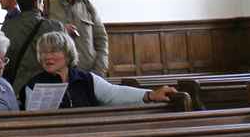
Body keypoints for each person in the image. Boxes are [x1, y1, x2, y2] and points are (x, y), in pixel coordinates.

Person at [22, 31, 176, 108]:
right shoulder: (33, 85)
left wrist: (150, 95)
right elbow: (33, 120)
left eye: (54, 51)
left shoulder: (85, 78)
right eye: (43, 52)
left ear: (68, 54)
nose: (47, 57)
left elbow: (114, 93)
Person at [2, 0, 63, 98]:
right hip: (45, 89)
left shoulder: (7, 26)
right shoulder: (54, 27)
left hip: (15, 89)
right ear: (37, 2)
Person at [47, 0, 109, 76]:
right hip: (58, 74)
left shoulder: (87, 5)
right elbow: (41, 40)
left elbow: (101, 39)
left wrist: (100, 70)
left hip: (88, 73)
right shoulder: (47, 6)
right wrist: (61, 30)